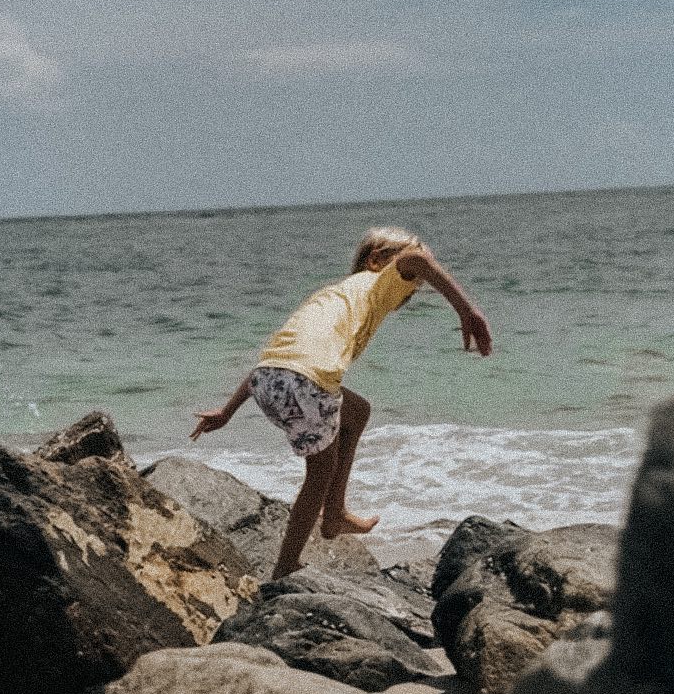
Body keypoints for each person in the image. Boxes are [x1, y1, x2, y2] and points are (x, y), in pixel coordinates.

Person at [191, 227, 492, 577]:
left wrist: (227, 411)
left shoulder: (333, 295)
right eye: (412, 281)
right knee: (319, 474)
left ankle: (334, 512)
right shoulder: (377, 282)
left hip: (267, 378)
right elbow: (418, 259)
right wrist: (466, 311)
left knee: (358, 411)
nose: (412, 287)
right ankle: (286, 566)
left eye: (416, 286)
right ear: (375, 259)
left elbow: (280, 358)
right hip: (308, 382)